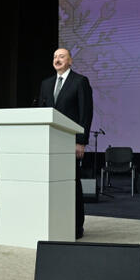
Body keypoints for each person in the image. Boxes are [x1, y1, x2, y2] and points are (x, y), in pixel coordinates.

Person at [37, 47, 93, 239]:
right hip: (49, 143)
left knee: (72, 184)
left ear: (70, 61)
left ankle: (76, 227)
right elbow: (42, 113)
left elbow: (86, 113)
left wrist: (81, 141)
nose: (57, 59)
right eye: (55, 56)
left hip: (70, 142)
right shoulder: (46, 84)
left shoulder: (80, 81)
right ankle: (55, 224)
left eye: (61, 56)